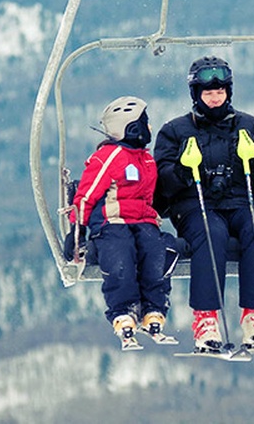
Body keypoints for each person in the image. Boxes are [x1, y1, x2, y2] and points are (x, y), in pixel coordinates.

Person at [154, 56, 254, 351]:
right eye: (208, 93)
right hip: (195, 206)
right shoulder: (175, 132)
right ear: (196, 94)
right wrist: (184, 170)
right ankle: (206, 319)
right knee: (212, 234)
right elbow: (161, 187)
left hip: (241, 201)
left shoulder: (250, 127)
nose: (214, 98)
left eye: (220, 92)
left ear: (229, 92)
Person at [64, 96, 172, 342]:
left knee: (155, 251)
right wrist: (76, 229)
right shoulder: (109, 156)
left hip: (143, 220)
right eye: (146, 123)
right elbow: (87, 195)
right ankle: (123, 309)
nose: (150, 128)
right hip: (112, 221)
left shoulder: (146, 159)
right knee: (120, 256)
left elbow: (149, 198)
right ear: (131, 127)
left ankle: (154, 306)